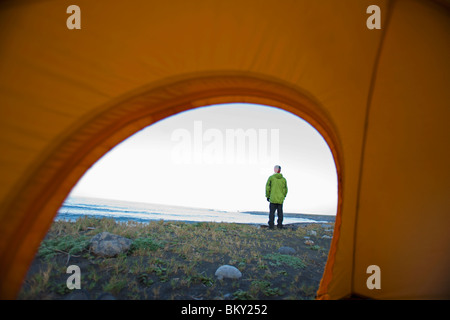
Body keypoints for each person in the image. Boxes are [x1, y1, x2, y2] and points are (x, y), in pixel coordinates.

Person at [265, 165, 288, 229]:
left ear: (275, 170)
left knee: (272, 213)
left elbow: (267, 188)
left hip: (272, 198)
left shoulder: (271, 178)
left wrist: (267, 196)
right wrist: (283, 196)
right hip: (280, 199)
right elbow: (285, 189)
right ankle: (279, 225)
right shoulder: (283, 180)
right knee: (280, 213)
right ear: (280, 170)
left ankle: (271, 226)